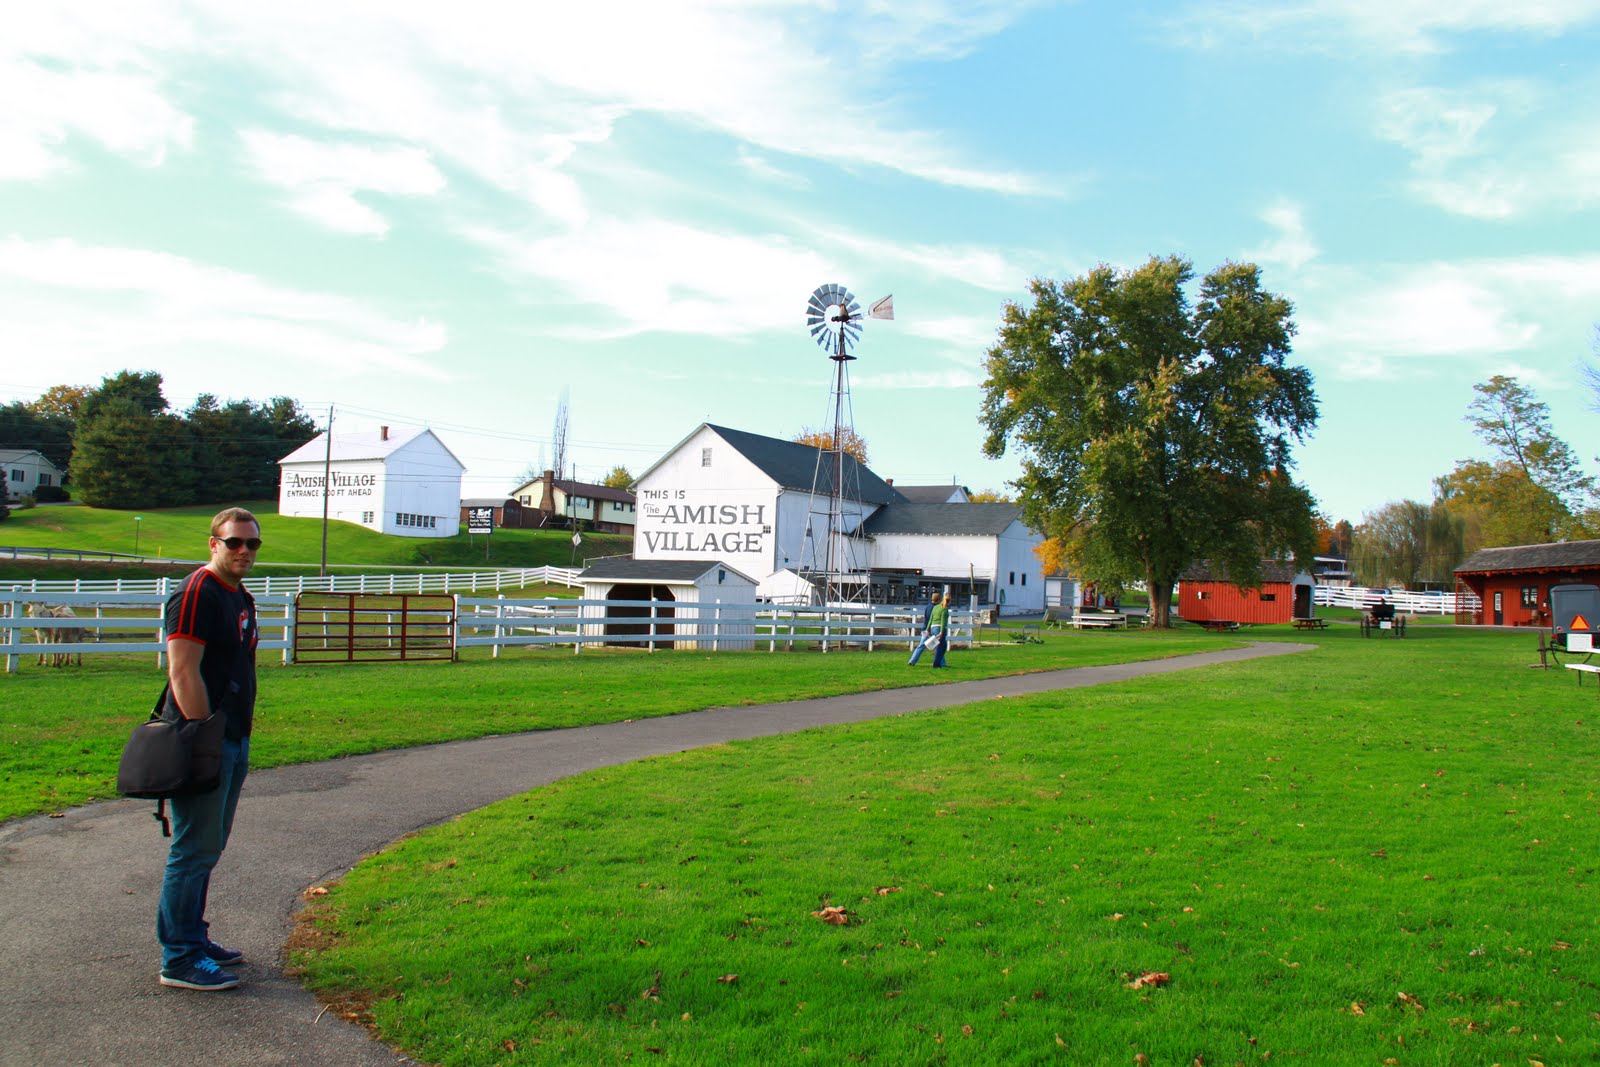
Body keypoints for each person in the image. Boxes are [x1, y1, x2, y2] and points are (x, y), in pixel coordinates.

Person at [155, 507, 260, 991]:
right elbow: (182, 672)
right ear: (213, 544)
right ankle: (179, 959)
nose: (243, 551)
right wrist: (203, 742)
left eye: (251, 544)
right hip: (204, 741)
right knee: (192, 850)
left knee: (208, 847)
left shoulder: (239, 596)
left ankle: (194, 939)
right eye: (233, 542)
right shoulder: (197, 591)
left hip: (232, 738)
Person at [907, 590, 940, 666]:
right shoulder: (935, 608)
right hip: (930, 629)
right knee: (938, 646)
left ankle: (912, 661)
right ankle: (940, 662)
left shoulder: (928, 606)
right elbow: (931, 619)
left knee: (921, 646)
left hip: (925, 629)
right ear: (938, 600)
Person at [930, 593, 952, 668]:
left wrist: (928, 629)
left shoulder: (936, 607)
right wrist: (942, 632)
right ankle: (936, 664)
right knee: (941, 647)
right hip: (939, 628)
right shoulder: (944, 609)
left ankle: (938, 663)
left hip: (933, 627)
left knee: (941, 646)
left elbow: (931, 618)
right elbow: (943, 621)